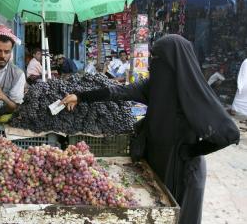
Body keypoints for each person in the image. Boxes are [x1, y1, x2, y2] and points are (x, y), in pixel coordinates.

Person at [62, 34, 239, 224]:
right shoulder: (154, 85)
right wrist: (80, 97)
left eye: (157, 59)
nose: (151, 63)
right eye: (151, 58)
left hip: (183, 173)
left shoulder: (193, 92)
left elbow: (229, 134)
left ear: (173, 62)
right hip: (158, 163)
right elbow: (119, 92)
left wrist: (192, 150)